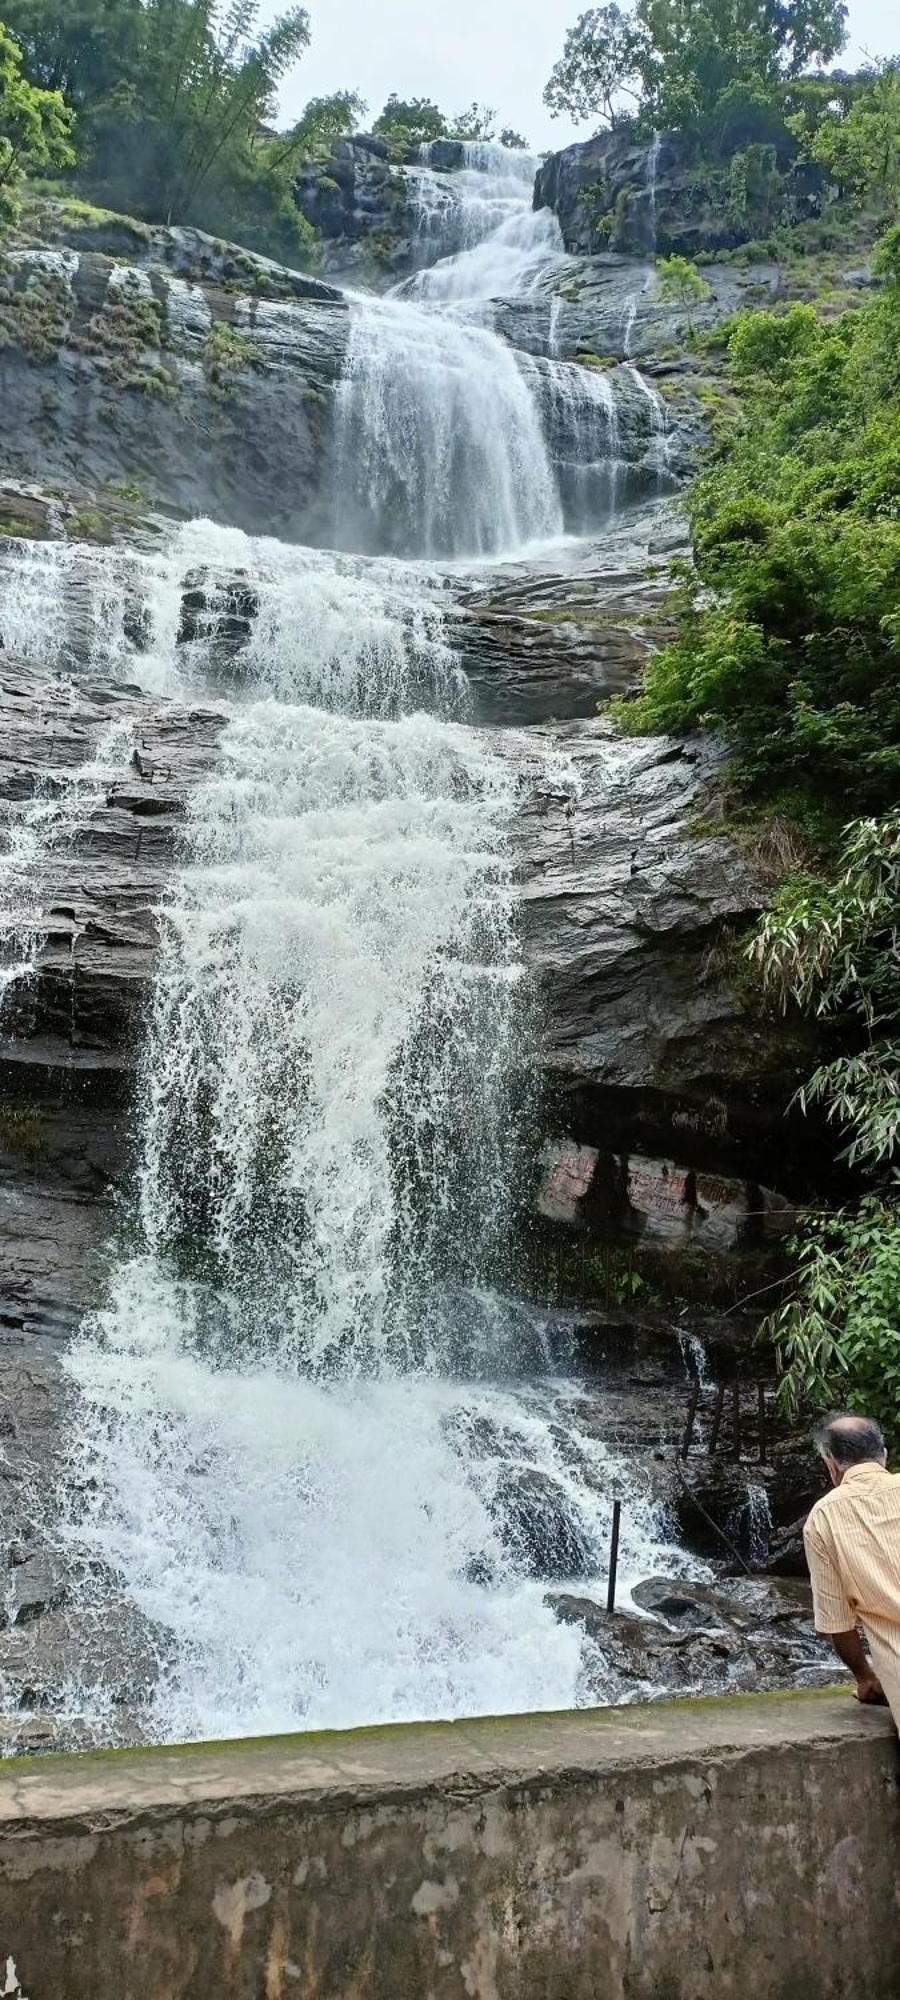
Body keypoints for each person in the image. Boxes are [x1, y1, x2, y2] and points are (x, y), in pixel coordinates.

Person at [803, 1412, 900, 1723]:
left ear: (830, 1464)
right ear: (884, 1455)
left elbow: (837, 1624)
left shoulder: (824, 1518)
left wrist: (866, 1677)